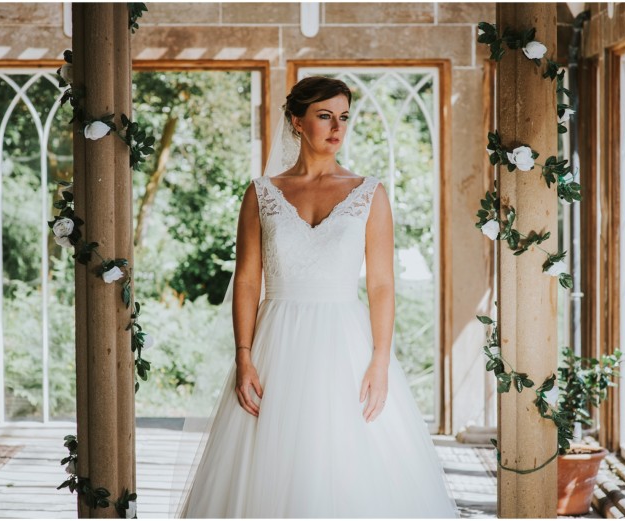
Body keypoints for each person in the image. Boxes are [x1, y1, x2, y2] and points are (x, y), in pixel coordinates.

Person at [170, 76, 459, 518]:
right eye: (325, 116)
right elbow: (247, 280)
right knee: (268, 467)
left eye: (343, 117)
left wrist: (380, 360)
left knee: (346, 463)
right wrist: (243, 357)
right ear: (297, 122)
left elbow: (382, 285)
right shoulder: (262, 194)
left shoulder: (369, 194)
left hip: (345, 346)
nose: (336, 127)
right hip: (275, 346)